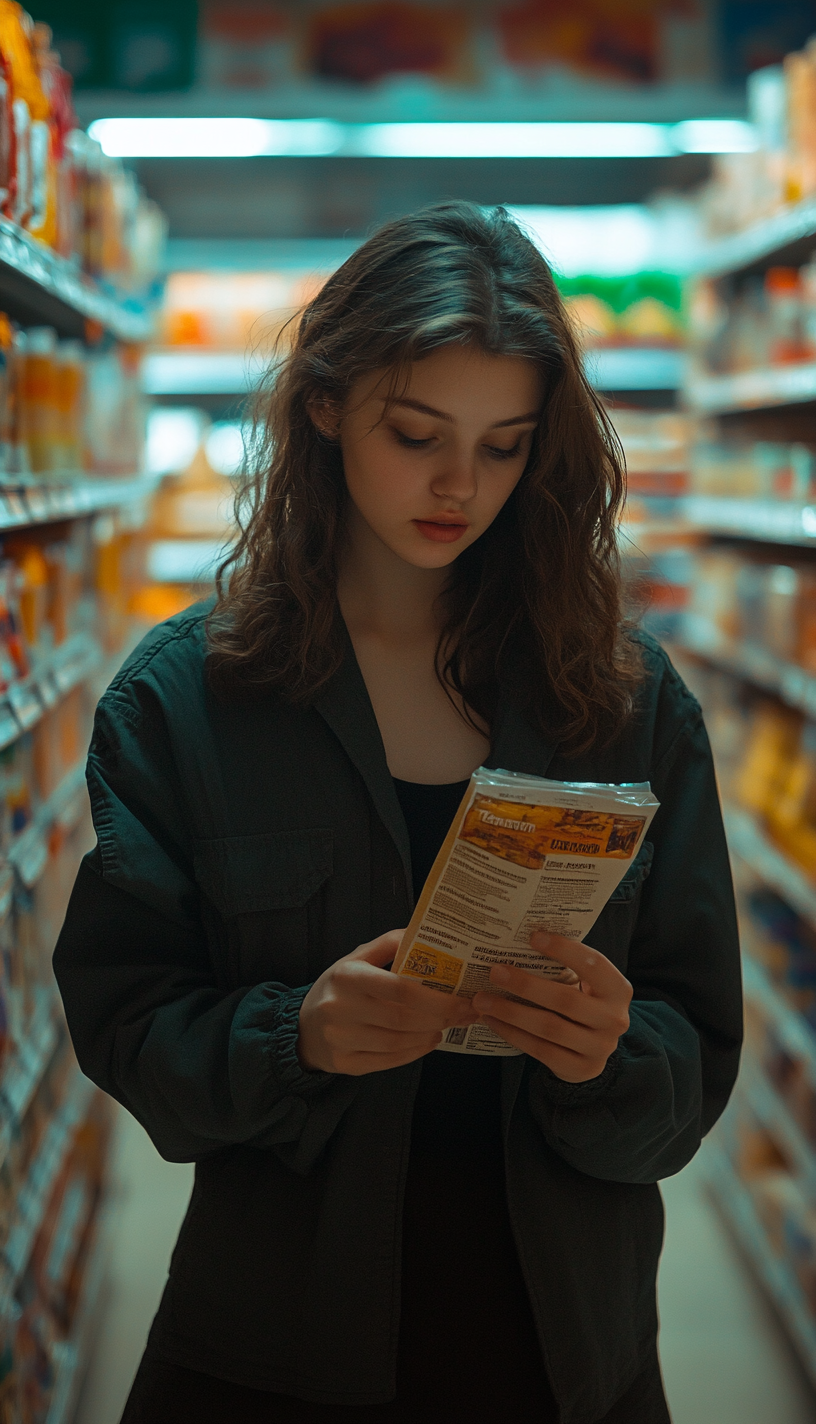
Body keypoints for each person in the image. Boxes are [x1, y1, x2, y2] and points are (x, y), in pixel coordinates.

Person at [53, 202, 742, 1424]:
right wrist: (294, 1035)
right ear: (325, 405)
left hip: (564, 1351)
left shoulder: (628, 704)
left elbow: (695, 1055)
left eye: (505, 444)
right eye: (415, 431)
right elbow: (126, 1025)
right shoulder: (187, 702)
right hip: (271, 1346)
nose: (457, 485)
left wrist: (613, 1059)